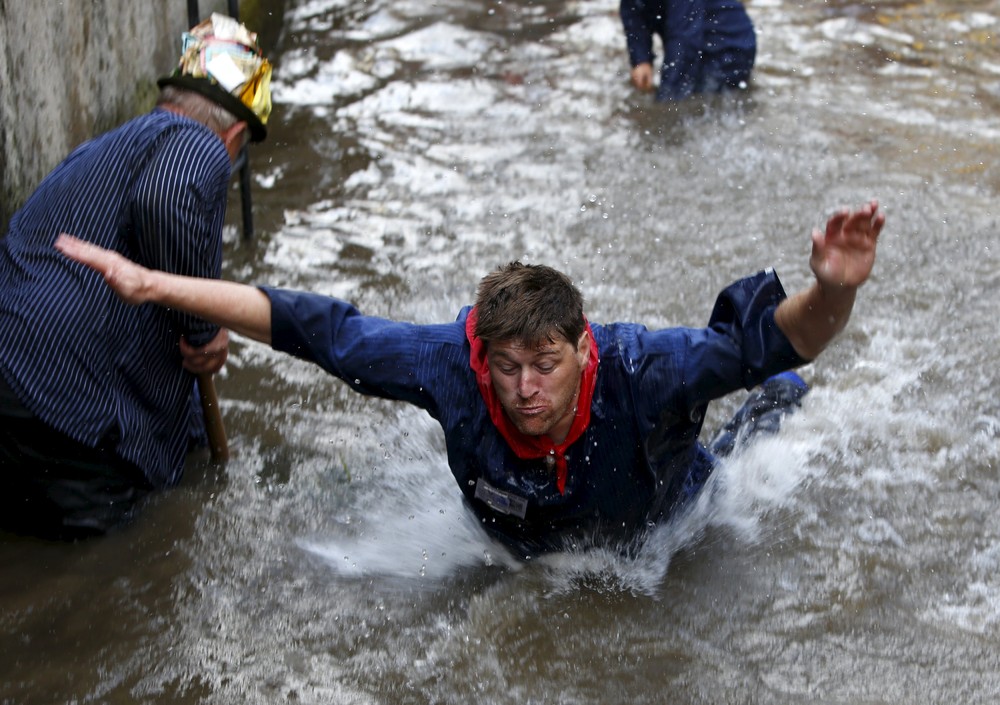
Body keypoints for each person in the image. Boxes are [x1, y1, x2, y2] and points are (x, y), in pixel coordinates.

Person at [55, 201, 884, 556]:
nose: (526, 388)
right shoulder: (447, 365)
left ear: (582, 351)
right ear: (482, 356)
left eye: (546, 366)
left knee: (752, 425)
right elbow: (311, 325)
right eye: (509, 368)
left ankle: (777, 418)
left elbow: (772, 341)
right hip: (530, 541)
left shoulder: (644, 365)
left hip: (662, 519)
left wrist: (834, 288)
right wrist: (152, 285)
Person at [0, 14, 273, 539]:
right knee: (111, 567)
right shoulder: (197, 144)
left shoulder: (109, 148)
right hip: (58, 392)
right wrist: (203, 328)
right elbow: (166, 198)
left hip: (16, 378)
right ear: (236, 132)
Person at [620, 0, 756, 101]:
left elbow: (683, 42)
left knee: (702, 104)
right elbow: (632, 11)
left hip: (731, 45)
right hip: (693, 33)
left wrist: (665, 100)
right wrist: (641, 59)